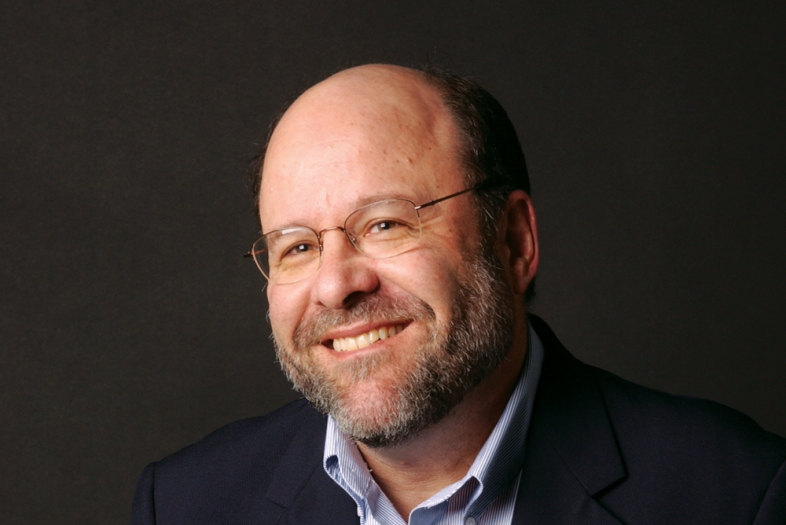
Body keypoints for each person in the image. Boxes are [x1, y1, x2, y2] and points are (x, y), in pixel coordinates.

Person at [131, 64, 786, 525]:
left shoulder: (738, 495)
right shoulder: (186, 506)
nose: (335, 285)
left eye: (385, 224)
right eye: (297, 247)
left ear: (514, 241)